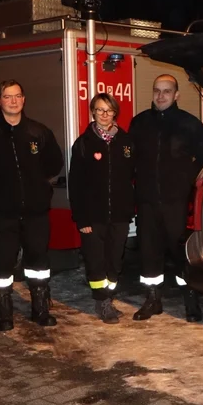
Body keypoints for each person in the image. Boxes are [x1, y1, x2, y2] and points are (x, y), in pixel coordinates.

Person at [0, 80, 64, 332]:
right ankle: (4, 313)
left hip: (36, 213)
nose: (13, 101)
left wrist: (38, 185)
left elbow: (54, 163)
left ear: (24, 99)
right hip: (2, 214)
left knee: (38, 264)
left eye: (17, 96)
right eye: (7, 97)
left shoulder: (38, 133)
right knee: (1, 265)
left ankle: (40, 310)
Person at [130, 74, 203, 322]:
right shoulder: (139, 123)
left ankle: (191, 301)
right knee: (149, 252)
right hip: (146, 202)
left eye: (167, 91)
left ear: (176, 95)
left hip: (177, 203)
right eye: (157, 90)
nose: (161, 95)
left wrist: (187, 185)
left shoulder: (190, 124)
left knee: (180, 253)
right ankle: (152, 300)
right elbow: (129, 159)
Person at [68, 93, 135, 324]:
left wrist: (130, 209)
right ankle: (102, 302)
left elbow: (133, 178)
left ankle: (109, 297)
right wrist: (81, 219)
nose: (104, 114)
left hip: (119, 216)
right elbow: (75, 184)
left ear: (115, 112)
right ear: (93, 113)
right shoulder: (84, 144)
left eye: (108, 110)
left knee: (115, 261)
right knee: (96, 262)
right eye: (99, 110)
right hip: (92, 218)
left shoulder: (126, 143)